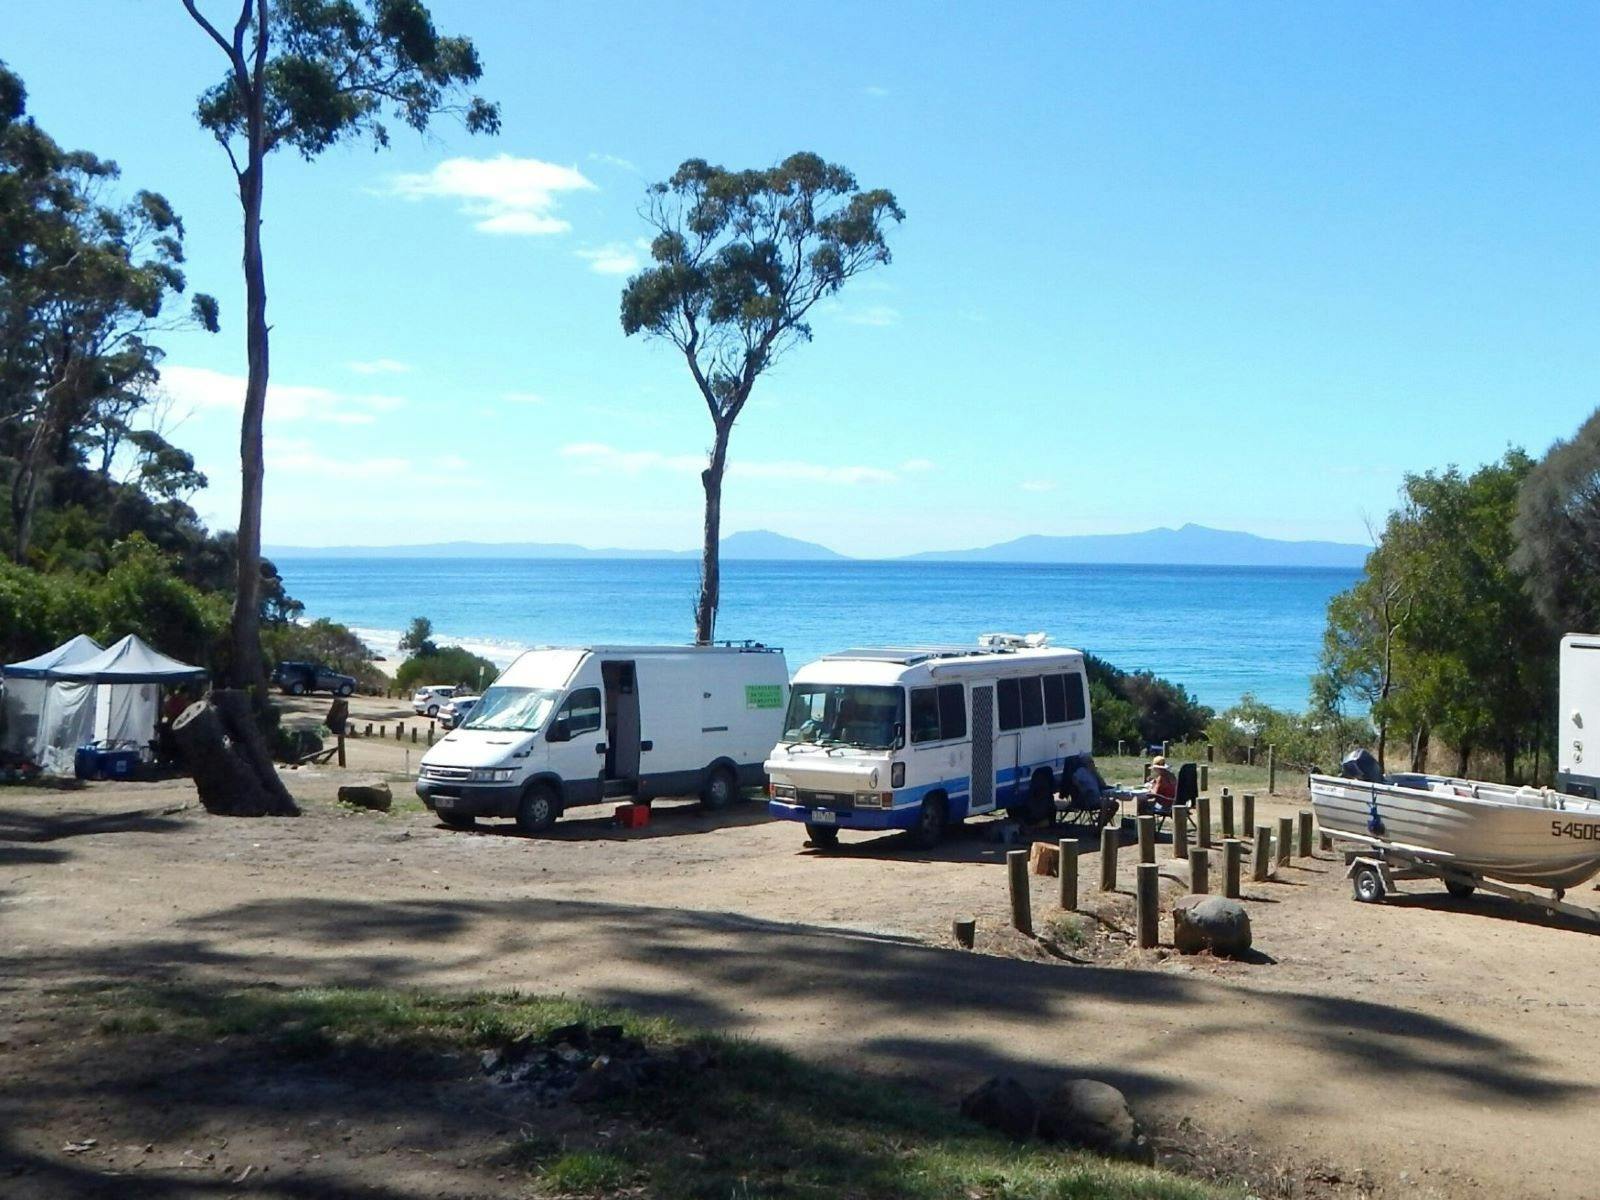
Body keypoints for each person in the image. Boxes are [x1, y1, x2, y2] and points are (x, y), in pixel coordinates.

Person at [1066, 754, 1121, 828]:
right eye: (1090, 762)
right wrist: (1081, 788)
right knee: (1106, 804)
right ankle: (1100, 827)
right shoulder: (1081, 771)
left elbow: (1103, 785)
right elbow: (1073, 779)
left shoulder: (1093, 772)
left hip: (1097, 798)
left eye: (1092, 762)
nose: (1093, 763)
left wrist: (1096, 773)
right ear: (1085, 763)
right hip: (1087, 799)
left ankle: (1102, 822)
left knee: (1115, 804)